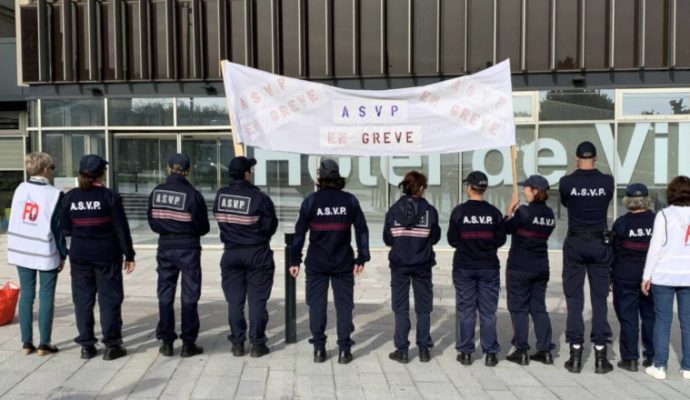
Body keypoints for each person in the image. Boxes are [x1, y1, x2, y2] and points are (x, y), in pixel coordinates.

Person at [289, 159, 370, 364]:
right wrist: (362, 257)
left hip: (317, 263)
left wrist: (294, 260)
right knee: (344, 307)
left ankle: (319, 349)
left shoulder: (310, 201)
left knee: (316, 306)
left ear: (320, 178)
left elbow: (299, 233)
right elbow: (361, 230)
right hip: (343, 262)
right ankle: (344, 350)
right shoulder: (350, 201)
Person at [61, 154, 135, 361]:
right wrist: (129, 254)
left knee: (82, 300)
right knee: (109, 299)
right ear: (101, 173)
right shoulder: (110, 196)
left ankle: (87, 345)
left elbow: (65, 229)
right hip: (106, 255)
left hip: (80, 255)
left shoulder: (69, 197)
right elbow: (121, 229)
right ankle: (112, 345)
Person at [558, 141, 615, 374]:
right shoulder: (607, 182)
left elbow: (565, 202)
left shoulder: (567, 182)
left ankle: (575, 355)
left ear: (576, 158)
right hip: (600, 243)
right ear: (596, 157)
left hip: (576, 241)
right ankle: (601, 356)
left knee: (574, 299)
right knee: (600, 300)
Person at [214, 156, 278, 358]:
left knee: (235, 301)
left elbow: (220, 220)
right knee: (257, 300)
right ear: (246, 174)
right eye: (250, 170)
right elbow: (270, 226)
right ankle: (258, 344)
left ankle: (238, 343)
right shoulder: (259, 197)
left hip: (231, 252)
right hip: (256, 253)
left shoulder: (221, 196)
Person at [148, 153, 210, 358]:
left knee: (165, 293)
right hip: (188, 247)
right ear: (188, 171)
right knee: (189, 294)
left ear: (168, 169)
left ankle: (166, 342)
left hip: (165, 246)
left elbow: (152, 222)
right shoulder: (192, 195)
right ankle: (188, 343)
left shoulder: (157, 192)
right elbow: (203, 226)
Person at [6, 152, 67, 355]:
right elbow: (58, 228)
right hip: (43, 248)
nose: (52, 171)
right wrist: (63, 253)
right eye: (52, 167)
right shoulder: (54, 194)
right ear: (44, 169)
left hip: (21, 247)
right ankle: (44, 343)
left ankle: (26, 342)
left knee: (27, 295)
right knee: (46, 295)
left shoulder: (20, 188)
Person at [448, 170, 506, 367]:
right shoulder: (494, 212)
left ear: (469, 188)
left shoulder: (459, 212)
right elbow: (501, 239)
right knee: (488, 312)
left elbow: (452, 239)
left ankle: (465, 352)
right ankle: (490, 353)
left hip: (465, 266)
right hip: (488, 266)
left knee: (466, 310)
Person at [384, 171, 441, 364]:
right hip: (423, 265)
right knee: (423, 308)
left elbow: (387, 238)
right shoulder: (430, 211)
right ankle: (424, 349)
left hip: (399, 264)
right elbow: (435, 237)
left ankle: (402, 350)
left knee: (400, 307)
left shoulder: (393, 210)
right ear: (422, 188)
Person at [503, 175, 556, 366]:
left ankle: (522, 349)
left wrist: (510, 210)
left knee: (518, 308)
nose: (523, 191)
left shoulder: (524, 212)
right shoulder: (549, 214)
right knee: (538, 308)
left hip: (520, 266)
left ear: (534, 191)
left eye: (525, 188)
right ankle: (545, 350)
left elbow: (506, 228)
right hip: (541, 267)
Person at [642, 176, 690, 380]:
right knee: (687, 322)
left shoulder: (663, 215)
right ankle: (688, 367)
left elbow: (655, 248)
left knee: (662, 321)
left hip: (664, 275)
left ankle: (659, 366)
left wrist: (646, 275)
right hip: (688, 276)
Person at [611, 183, 655, 372]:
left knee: (628, 318)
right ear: (647, 200)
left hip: (625, 276)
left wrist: (609, 277)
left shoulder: (621, 223)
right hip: (652, 277)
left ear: (627, 201)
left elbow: (612, 252)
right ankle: (652, 357)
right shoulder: (658, 221)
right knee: (651, 317)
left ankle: (629, 359)